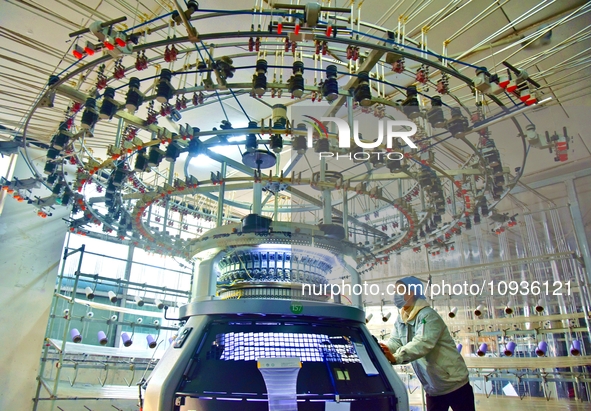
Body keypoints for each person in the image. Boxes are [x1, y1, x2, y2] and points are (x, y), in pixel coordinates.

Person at [379, 276, 475, 411]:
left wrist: (396, 357)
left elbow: (422, 343)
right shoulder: (401, 318)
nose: (395, 295)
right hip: (433, 387)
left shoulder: (428, 316)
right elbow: (396, 341)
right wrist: (381, 349)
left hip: (454, 383)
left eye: (399, 290)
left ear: (411, 292)